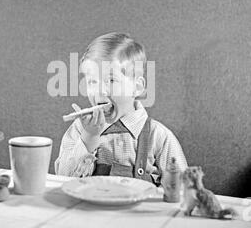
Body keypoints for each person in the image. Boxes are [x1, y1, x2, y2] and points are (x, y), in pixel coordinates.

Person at [55, 32, 187, 186]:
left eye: (111, 80)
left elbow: (183, 190)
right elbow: (62, 179)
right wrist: (88, 139)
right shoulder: (80, 130)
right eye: (92, 81)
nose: (100, 91)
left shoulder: (159, 137)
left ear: (136, 87)